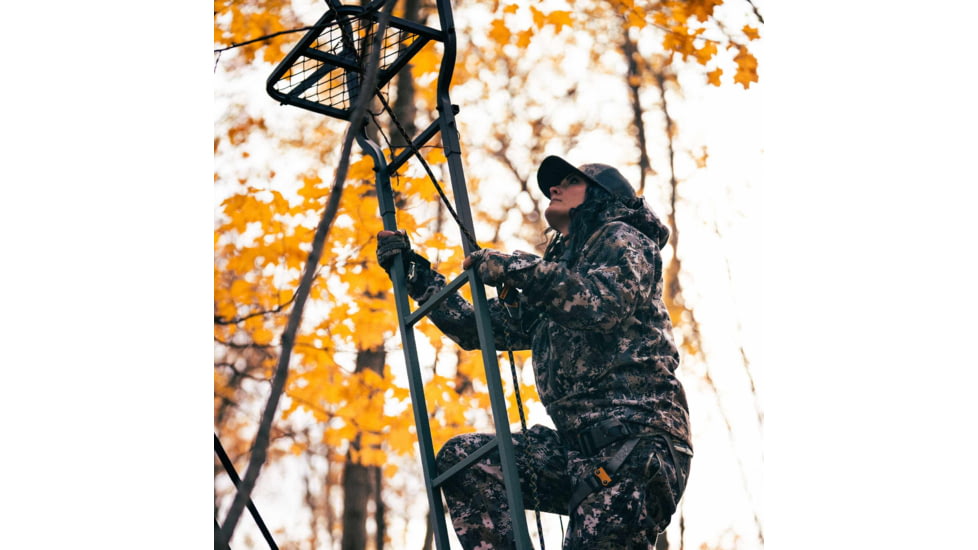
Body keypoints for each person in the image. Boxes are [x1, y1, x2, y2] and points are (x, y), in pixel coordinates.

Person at [376, 155, 693, 549]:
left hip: (633, 445)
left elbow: (602, 304)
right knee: (466, 461)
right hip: (576, 449)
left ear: (601, 196)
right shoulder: (561, 275)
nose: (553, 189)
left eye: (568, 181)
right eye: (552, 184)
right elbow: (480, 328)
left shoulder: (622, 237)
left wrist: (517, 268)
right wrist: (413, 273)